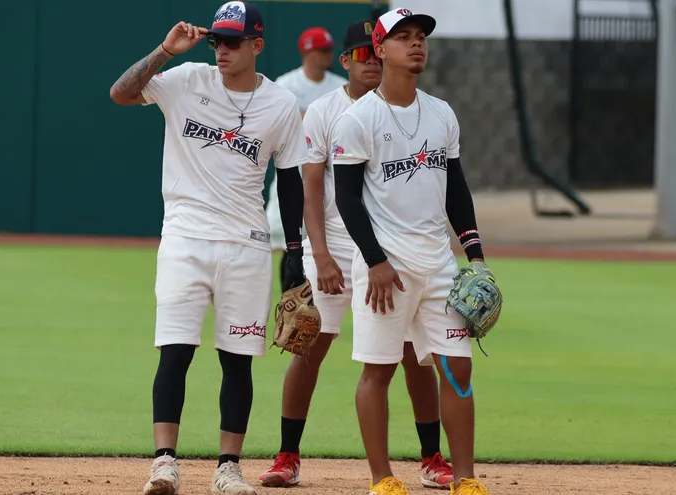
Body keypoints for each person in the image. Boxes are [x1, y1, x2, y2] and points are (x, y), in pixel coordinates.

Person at [108, 2, 309, 494]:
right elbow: (120, 93)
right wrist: (163, 51)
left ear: (256, 46)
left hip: (247, 246)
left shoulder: (281, 105)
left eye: (233, 41)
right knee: (174, 353)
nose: (221, 49)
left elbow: (290, 182)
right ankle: (163, 463)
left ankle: (228, 467)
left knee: (237, 359)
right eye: (217, 40)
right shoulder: (186, 79)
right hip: (184, 238)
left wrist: (297, 250)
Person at [258, 19, 454, 491]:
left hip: (392, 247)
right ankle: (288, 454)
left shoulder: (407, 110)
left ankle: (432, 457)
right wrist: (318, 254)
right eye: (361, 54)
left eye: (375, 51)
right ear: (346, 61)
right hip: (337, 244)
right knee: (311, 344)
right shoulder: (325, 111)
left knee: (413, 353)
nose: (370, 61)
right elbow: (310, 187)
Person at [331, 7, 492, 495]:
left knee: (457, 367)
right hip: (387, 266)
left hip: (438, 263)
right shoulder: (358, 118)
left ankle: (464, 477)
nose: (417, 43)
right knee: (378, 369)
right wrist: (375, 262)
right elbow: (346, 198)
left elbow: (456, 191)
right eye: (403, 37)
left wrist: (475, 257)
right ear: (379, 49)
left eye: (421, 36)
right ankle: (382, 477)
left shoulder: (441, 113)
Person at [266, 27, 349, 287]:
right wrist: (316, 121)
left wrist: (306, 118)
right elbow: (279, 122)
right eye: (322, 50)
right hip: (292, 169)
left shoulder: (338, 85)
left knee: (329, 238)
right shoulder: (287, 83)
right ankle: (289, 300)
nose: (328, 55)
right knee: (287, 242)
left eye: (329, 49)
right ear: (307, 51)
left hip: (328, 172)